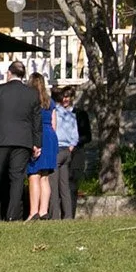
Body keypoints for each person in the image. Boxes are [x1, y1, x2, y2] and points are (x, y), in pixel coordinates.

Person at [0, 61, 41, 222]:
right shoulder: (32, 93)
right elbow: (37, 121)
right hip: (23, 140)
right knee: (17, 179)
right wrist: (37, 143)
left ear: (9, 73)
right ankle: (12, 215)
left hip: (0, 139)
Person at [24, 74, 59, 222]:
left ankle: (33, 212)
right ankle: (44, 211)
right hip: (50, 137)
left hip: (37, 136)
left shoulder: (30, 101)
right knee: (45, 177)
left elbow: (29, 122)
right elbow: (54, 123)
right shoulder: (50, 102)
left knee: (34, 175)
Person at [48, 86, 80, 220]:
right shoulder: (71, 115)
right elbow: (75, 136)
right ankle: (68, 215)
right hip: (67, 150)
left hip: (57, 149)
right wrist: (71, 147)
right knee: (65, 186)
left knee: (53, 185)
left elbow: (53, 130)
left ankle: (54, 215)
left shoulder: (55, 113)